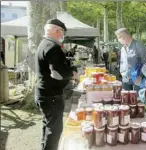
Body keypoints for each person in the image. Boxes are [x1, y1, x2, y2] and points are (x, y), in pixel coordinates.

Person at [35, 18, 77, 150]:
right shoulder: (53, 47)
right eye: (62, 32)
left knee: (48, 126)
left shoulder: (44, 43)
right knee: (54, 131)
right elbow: (57, 74)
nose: (62, 35)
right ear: (57, 31)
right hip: (51, 95)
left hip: (44, 93)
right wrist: (73, 73)